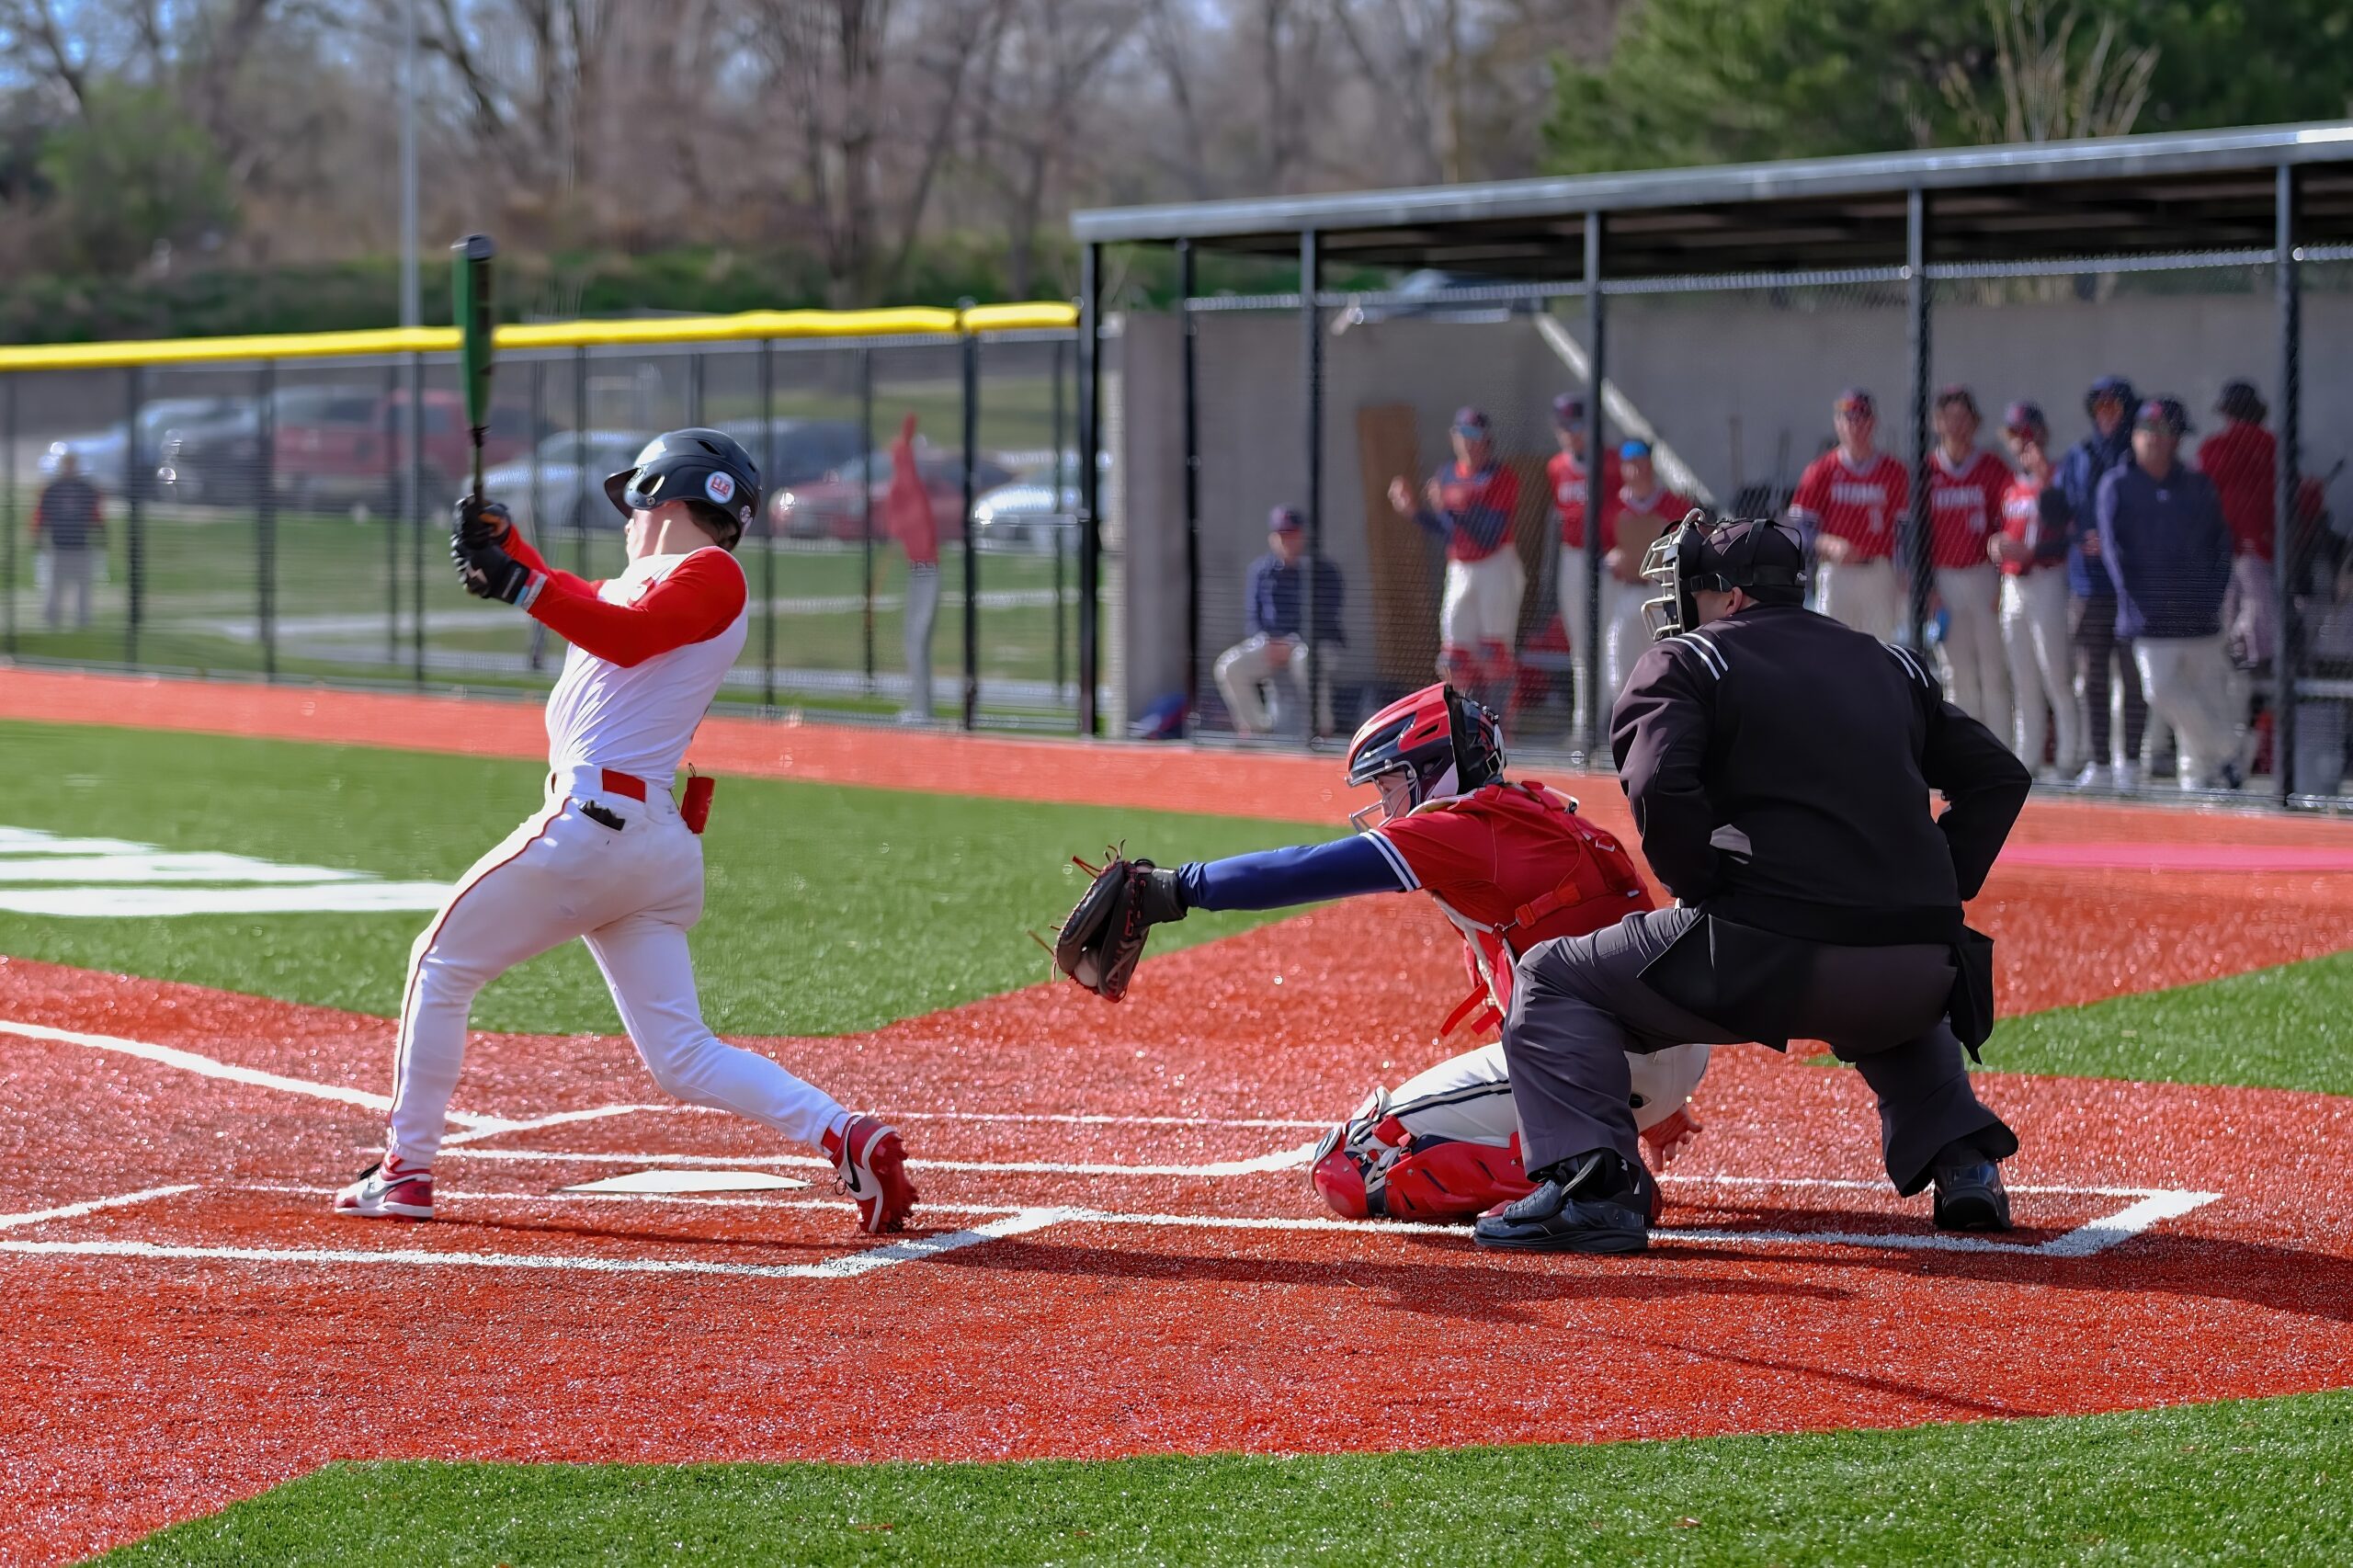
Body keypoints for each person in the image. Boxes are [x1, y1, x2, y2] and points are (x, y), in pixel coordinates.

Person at [335, 428, 919, 1235]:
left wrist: (520, 585)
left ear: (666, 490)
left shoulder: (712, 574)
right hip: (644, 847)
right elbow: (585, 599)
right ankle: (845, 1134)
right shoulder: (643, 583)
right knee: (681, 1056)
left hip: (598, 830)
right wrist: (510, 549)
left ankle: (405, 1169)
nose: (625, 516)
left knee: (439, 964)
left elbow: (628, 632)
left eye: (634, 499)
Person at [1473, 516, 2029, 1255]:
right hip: (1920, 970)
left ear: (1730, 597)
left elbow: (1661, 787)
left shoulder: (1689, 660)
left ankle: (1592, 1188)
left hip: (1764, 954)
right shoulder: (1890, 664)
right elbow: (1999, 777)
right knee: (1891, 990)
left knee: (1552, 978)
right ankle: (1965, 1164)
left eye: (1695, 586)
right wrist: (1939, 882)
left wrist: (1701, 881)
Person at [1063, 682, 1709, 1222]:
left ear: (1435, 771)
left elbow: (1308, 870)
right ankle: (1595, 1148)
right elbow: (1622, 932)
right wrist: (1658, 1099)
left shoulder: (1460, 829)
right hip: (1656, 1048)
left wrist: (1180, 888)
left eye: (1393, 783)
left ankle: (1587, 1176)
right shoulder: (1546, 811)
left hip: (1597, 1061)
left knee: (1352, 1163)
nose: (1385, 804)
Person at [2097, 397, 2241, 791]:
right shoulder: (2118, 484)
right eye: (2148, 432)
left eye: (2166, 434)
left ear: (2178, 440)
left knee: (2204, 696)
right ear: (2135, 436)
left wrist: (2212, 596)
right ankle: (2229, 751)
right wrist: (2133, 597)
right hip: (2149, 617)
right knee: (2159, 691)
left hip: (2199, 616)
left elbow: (2220, 546)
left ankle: (2199, 783)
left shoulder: (2197, 485)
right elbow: (2112, 550)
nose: (2156, 441)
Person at [1390, 406, 1524, 715]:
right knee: (1454, 657)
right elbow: (1449, 531)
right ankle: (1463, 720)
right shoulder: (1448, 474)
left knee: (1494, 655)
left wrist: (1452, 506)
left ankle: (1500, 725)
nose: (1469, 443)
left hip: (1496, 565)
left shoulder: (1501, 477)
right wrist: (1415, 512)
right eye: (1463, 435)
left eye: (1476, 435)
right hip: (1461, 566)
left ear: (1487, 440)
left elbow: (1489, 534)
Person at [2054, 374, 2146, 790]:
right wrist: (2078, 537)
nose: (2106, 416)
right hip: (2088, 584)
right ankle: (2100, 763)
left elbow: (2152, 515)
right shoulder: (2078, 456)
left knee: (2132, 675)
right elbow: (2055, 511)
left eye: (2115, 407)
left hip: (2130, 584)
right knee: (2091, 673)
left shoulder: (2139, 454)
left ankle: (2130, 762)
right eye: (2099, 408)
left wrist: (2116, 540)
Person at [1990, 402, 2084, 781]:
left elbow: (2067, 530)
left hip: (2047, 579)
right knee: (2022, 675)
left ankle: (2067, 756)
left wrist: (2045, 478)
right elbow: (2002, 529)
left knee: (2055, 673)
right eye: (2014, 436)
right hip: (2013, 583)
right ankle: (2026, 757)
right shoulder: (2010, 484)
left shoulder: (2058, 476)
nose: (2021, 444)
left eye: (2026, 434)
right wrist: (1995, 545)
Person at [1212, 506, 1345, 737]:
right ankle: (1257, 730)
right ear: (1272, 538)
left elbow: (1326, 616)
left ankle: (1323, 730)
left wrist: (1291, 642)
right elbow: (1253, 618)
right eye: (1281, 535)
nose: (1287, 541)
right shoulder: (1261, 570)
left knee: (1304, 659)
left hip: (1314, 644)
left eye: (1292, 534)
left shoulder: (1324, 570)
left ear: (1302, 535)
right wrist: (1269, 642)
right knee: (1229, 667)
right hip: (1271, 646)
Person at [1787, 388, 1907, 640]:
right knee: (1832, 648)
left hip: (1878, 571)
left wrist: (1904, 574)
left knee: (1880, 650)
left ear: (1873, 422)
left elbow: (1905, 530)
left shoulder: (1893, 471)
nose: (1854, 425)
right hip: (1836, 572)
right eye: (1847, 418)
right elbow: (1799, 526)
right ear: (1837, 424)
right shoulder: (1821, 470)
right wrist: (1828, 543)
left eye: (1861, 417)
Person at [1925, 386, 2013, 724]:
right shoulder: (1926, 471)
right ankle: (1966, 754)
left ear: (1975, 423)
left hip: (1983, 575)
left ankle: (2001, 749)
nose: (1957, 426)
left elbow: (2010, 522)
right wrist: (1927, 589)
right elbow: (1914, 536)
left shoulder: (1991, 467)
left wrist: (2003, 582)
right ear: (1937, 423)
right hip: (1943, 578)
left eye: (1964, 418)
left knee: (1993, 668)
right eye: (1949, 418)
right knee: (1956, 673)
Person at [1547, 394, 1620, 736]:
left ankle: (1609, 720)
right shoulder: (1556, 466)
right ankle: (1584, 722)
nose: (1571, 434)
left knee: (1608, 638)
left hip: (1605, 556)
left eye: (1577, 426)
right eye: (1564, 427)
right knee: (1579, 643)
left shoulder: (1610, 463)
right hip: (1573, 556)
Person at [2195, 379, 2279, 670]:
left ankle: (2239, 655)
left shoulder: (2214, 447)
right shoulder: (2269, 444)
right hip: (2259, 538)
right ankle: (2258, 658)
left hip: (2221, 541)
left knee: (2234, 602)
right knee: (2256, 601)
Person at [1599, 440, 1691, 706]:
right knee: (1619, 658)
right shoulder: (1614, 508)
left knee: (1663, 659)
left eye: (1641, 463)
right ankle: (1624, 718)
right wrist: (1612, 559)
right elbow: (1604, 550)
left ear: (1651, 465)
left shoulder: (1674, 504)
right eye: (1630, 464)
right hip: (1625, 590)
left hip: (1662, 592)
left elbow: (1684, 549)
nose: (1637, 470)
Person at [887, 413, 942, 724]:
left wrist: (907, 433)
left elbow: (904, 466)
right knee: (913, 641)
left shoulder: (914, 491)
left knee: (917, 640)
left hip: (927, 572)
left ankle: (922, 710)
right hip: (917, 571)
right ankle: (920, 706)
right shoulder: (907, 491)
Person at [32, 450, 104, 631]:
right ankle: (52, 620)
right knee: (55, 586)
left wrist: (102, 533)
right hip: (59, 545)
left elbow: (96, 514)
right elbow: (41, 514)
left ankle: (83, 621)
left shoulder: (86, 489)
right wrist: (37, 535)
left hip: (81, 545)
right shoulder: (52, 488)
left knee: (84, 587)